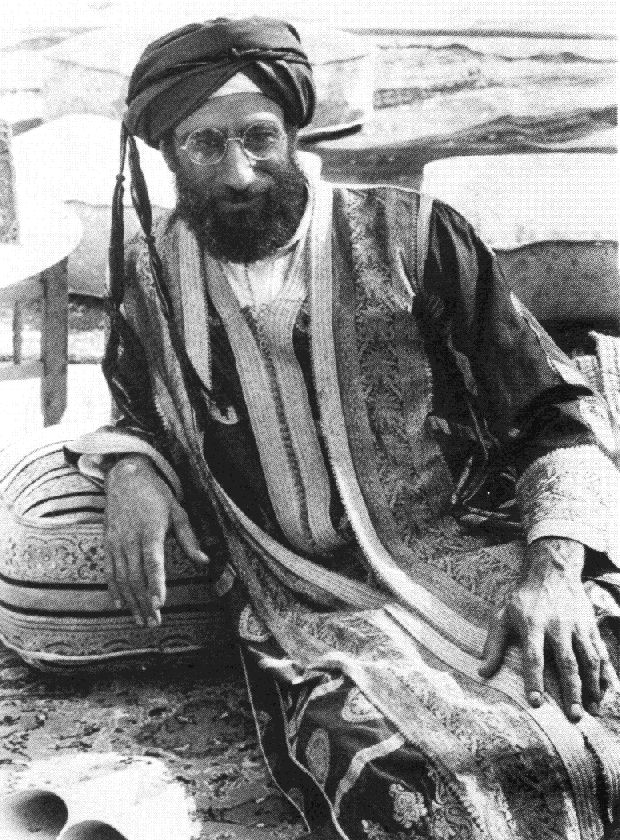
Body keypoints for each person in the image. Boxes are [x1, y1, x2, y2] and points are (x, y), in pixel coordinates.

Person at [66, 17, 620, 839]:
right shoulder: (151, 277)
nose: (238, 173)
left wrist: (554, 573)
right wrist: (132, 467)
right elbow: (138, 400)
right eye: (204, 145)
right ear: (168, 153)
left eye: (259, 138)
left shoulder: (417, 236)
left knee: (597, 679)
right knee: (410, 784)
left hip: (478, 545)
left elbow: (555, 409)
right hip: (311, 612)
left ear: (295, 133)